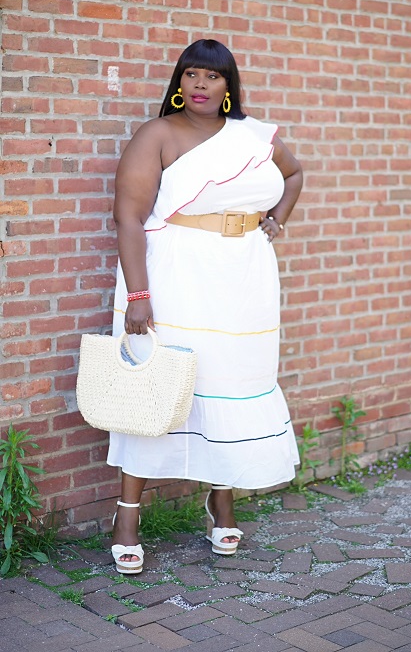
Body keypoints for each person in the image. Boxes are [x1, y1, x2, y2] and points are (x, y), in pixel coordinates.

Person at [107, 39, 303, 574]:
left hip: (242, 278)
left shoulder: (255, 135)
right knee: (154, 391)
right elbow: (129, 217)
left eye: (212, 77)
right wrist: (139, 296)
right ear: (179, 82)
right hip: (173, 275)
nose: (200, 85)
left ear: (227, 86)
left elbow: (295, 174)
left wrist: (276, 219)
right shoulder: (158, 134)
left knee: (226, 383)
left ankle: (221, 504)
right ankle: (127, 518)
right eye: (191, 74)